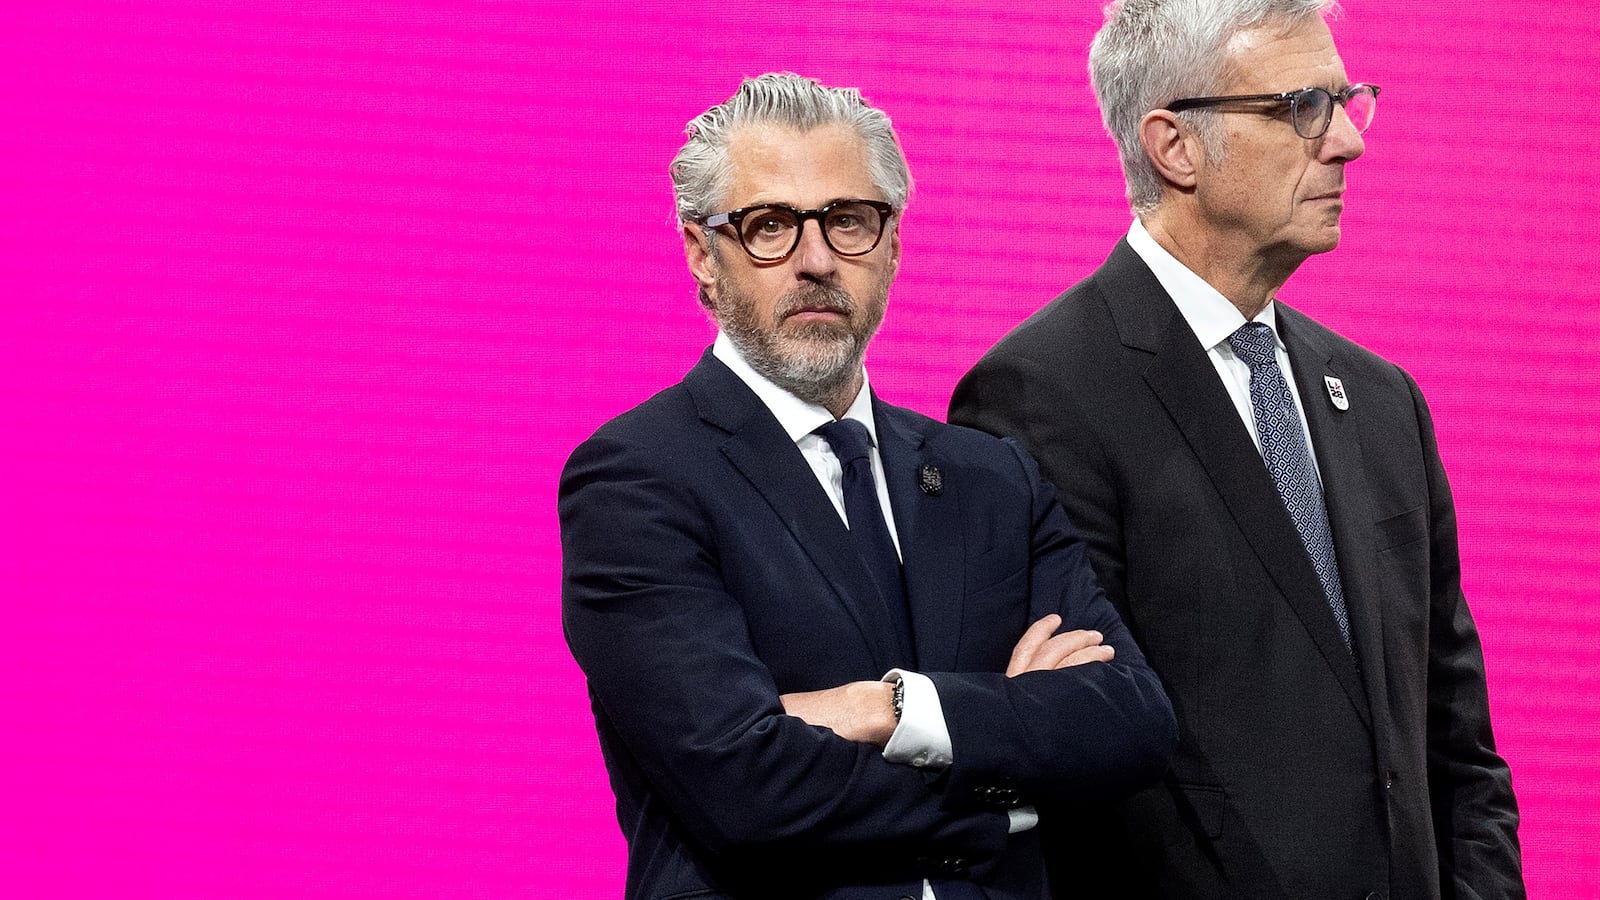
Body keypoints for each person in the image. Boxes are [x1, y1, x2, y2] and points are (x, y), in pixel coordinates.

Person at [949, 2, 1524, 898]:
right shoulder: (1040, 396)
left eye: (1346, 100)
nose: (1345, 142)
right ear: (1175, 145)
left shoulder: (1382, 402)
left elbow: (1454, 741)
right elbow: (1088, 760)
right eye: (1302, 106)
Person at [560, 72, 1175, 900]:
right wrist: (1007, 771)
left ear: (892, 244)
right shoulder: (637, 480)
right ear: (703, 254)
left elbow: (1129, 721)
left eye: (848, 220)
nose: (815, 261)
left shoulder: (992, 476)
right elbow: (745, 788)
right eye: (769, 226)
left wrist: (892, 709)